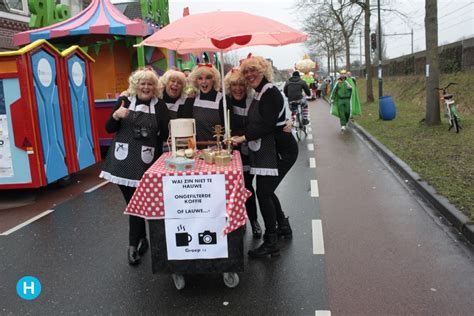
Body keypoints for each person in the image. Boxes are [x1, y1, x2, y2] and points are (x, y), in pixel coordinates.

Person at [99, 68, 170, 265]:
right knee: (134, 204)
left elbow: (165, 133)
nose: (146, 87)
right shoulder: (125, 101)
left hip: (146, 163)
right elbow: (108, 128)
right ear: (135, 84)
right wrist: (116, 115)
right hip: (122, 162)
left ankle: (138, 241)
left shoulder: (160, 106)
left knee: (136, 204)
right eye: (142, 83)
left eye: (150, 84)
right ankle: (136, 243)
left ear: (155, 87)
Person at [233, 56, 298, 258]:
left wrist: (243, 137)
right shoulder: (260, 92)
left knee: (263, 192)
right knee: (266, 191)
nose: (250, 75)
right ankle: (283, 227)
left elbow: (268, 124)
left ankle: (271, 242)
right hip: (271, 149)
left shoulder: (269, 92)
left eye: (254, 70)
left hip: (281, 150)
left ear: (263, 71)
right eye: (247, 72)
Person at [222, 68, 262, 238]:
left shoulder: (253, 101)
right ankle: (240, 220)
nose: (237, 89)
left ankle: (253, 220)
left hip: (249, 150)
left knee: (246, 186)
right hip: (231, 150)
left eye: (241, 85)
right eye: (234, 85)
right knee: (232, 189)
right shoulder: (225, 102)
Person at [178, 64, 223, 143]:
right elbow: (186, 127)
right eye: (200, 78)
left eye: (208, 78)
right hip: (196, 150)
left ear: (214, 80)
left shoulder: (223, 100)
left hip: (218, 150)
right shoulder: (191, 100)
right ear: (196, 81)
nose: (204, 81)